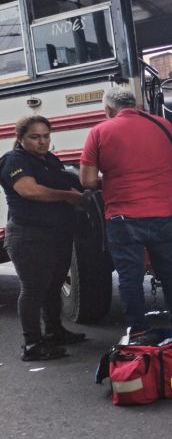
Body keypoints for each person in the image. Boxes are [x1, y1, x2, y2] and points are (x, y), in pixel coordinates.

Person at [80, 86, 172, 333]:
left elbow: (87, 181)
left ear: (109, 109)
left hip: (123, 217)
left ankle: (138, 331)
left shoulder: (99, 131)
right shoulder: (164, 125)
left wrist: (112, 178)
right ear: (136, 104)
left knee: (130, 277)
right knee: (170, 273)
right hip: (163, 213)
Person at [0, 116, 87, 361]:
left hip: (56, 233)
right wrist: (68, 197)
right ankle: (32, 344)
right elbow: (30, 190)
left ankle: (54, 332)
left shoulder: (49, 160)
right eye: (35, 137)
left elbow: (69, 182)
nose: (42, 142)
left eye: (46, 136)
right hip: (28, 235)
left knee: (53, 284)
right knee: (33, 289)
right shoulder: (14, 160)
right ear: (20, 138)